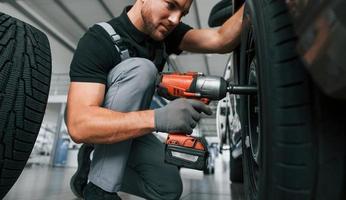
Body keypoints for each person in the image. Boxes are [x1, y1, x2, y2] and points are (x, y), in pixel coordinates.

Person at [66, 0, 244, 199]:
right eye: (170, 4)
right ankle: (100, 188)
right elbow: (78, 125)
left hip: (132, 132)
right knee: (143, 70)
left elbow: (220, 39)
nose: (175, 19)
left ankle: (90, 166)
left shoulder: (166, 34)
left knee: (168, 189)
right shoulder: (99, 40)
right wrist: (157, 119)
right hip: (100, 131)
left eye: (183, 13)